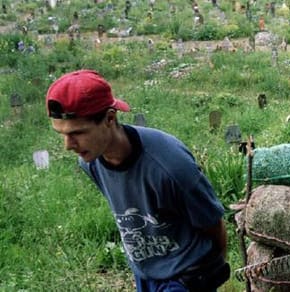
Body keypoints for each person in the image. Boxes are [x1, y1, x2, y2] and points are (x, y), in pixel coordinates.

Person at [45, 70, 229, 292]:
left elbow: (213, 224)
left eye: (78, 132)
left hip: (186, 275)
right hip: (145, 272)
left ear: (110, 118)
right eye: (61, 134)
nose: (68, 145)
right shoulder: (90, 161)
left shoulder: (170, 166)